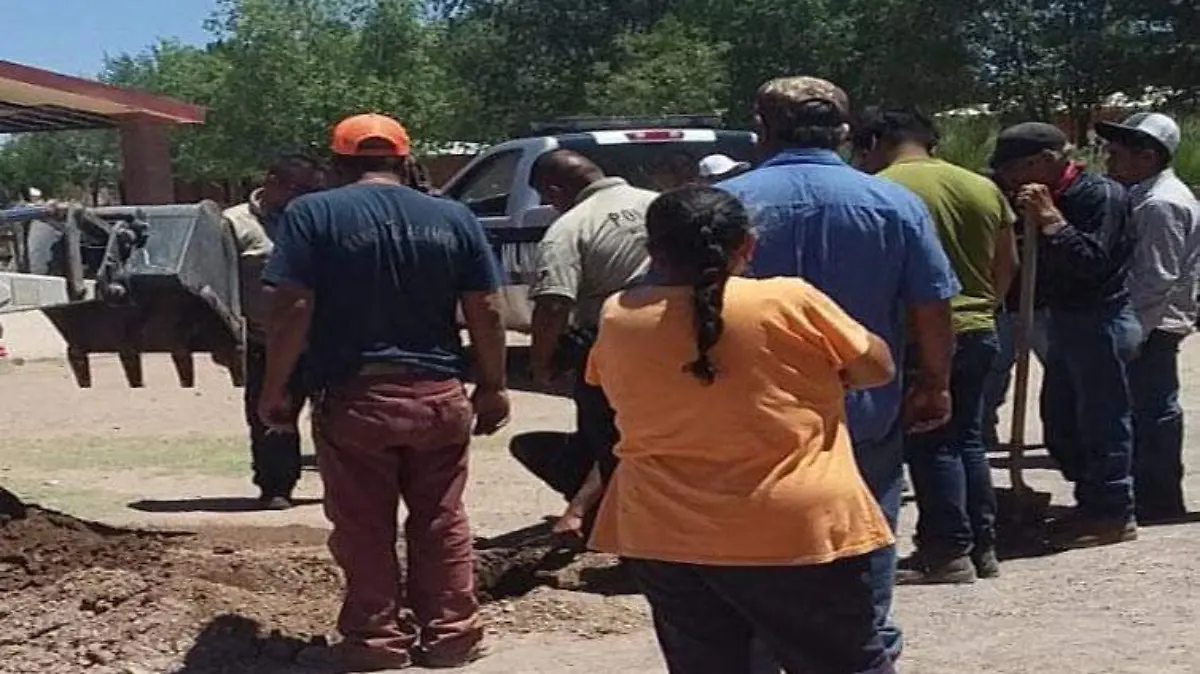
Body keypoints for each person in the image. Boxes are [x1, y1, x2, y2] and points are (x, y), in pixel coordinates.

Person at [586, 185, 898, 674]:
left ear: (653, 252)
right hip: (793, 527)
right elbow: (877, 367)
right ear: (747, 245)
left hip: (665, 527)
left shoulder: (618, 313)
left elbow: (613, 384)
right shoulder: (788, 298)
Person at [719, 76, 959, 662]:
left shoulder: (725, 204)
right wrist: (935, 382)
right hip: (862, 410)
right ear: (846, 131)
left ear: (762, 128)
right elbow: (931, 305)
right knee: (864, 541)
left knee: (751, 554)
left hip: (748, 414)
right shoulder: (894, 203)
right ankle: (861, 647)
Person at [260, 113, 509, 671]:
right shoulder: (454, 216)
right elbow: (487, 310)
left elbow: (291, 307)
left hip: (355, 398)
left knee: (364, 525)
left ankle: (375, 644)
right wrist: (492, 386)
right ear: (404, 159)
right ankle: (451, 637)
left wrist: (277, 389)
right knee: (442, 518)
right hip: (439, 393)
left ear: (338, 163)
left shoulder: (312, 213)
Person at [852, 107, 1017, 583]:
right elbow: (1006, 262)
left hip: (920, 332)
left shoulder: (883, 190)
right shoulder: (981, 186)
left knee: (930, 443)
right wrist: (985, 307)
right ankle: (982, 545)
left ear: (878, 142)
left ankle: (946, 551)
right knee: (967, 439)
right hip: (980, 326)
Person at [991, 121, 1139, 548]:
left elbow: (1093, 260)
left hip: (1101, 321)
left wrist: (1052, 221)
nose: (1012, 179)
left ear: (1047, 161)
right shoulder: (1032, 196)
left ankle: (1112, 511)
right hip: (1064, 321)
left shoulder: (1099, 195)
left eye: (1018, 168)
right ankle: (1089, 499)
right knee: (1060, 422)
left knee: (1102, 422)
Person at [524, 149, 657, 538]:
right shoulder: (659, 205)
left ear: (554, 189)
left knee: (608, 436)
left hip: (610, 346)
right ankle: (592, 513)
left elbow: (552, 305)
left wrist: (541, 363)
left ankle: (622, 533)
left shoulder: (571, 227)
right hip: (676, 338)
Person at [1096, 112, 1200, 523]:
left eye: (1116, 152)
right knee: (1148, 409)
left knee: (1152, 411)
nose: (1108, 159)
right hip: (1150, 321)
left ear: (1146, 156)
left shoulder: (1160, 204)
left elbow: (1157, 277)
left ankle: (1157, 499)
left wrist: (1133, 331)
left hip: (1153, 324)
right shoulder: (1147, 195)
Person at [224, 154, 325, 510]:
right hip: (265, 339)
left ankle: (342, 483)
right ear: (271, 182)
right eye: (297, 190)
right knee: (270, 415)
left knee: (332, 414)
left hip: (322, 338)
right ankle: (276, 486)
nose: (303, 198)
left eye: (311, 191)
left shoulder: (318, 220)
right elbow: (222, 284)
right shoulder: (234, 224)